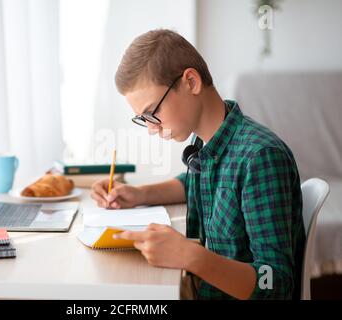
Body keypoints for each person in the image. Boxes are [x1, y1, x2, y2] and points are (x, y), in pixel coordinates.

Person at [91, 29, 305, 300]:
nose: (150, 129)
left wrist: (191, 256)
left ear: (190, 82)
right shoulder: (208, 141)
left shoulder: (260, 158)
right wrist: (138, 194)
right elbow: (191, 182)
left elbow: (275, 283)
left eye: (152, 113)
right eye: (142, 119)